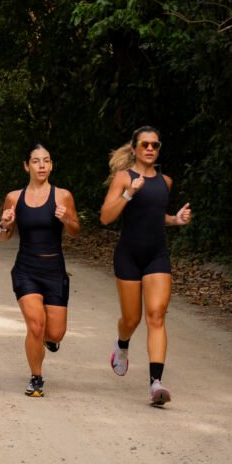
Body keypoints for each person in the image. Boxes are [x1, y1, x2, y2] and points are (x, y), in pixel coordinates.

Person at [100, 126, 192, 406]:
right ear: (134, 148)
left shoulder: (166, 182)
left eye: (155, 144)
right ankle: (122, 345)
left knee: (156, 316)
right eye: (144, 144)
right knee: (132, 319)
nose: (150, 148)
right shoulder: (124, 177)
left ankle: (156, 384)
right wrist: (128, 193)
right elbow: (106, 217)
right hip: (128, 255)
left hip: (157, 255)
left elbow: (154, 215)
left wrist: (174, 220)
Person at [0, 143, 80, 397]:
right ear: (26, 166)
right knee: (35, 325)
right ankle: (36, 377)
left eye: (46, 161)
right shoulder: (14, 197)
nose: (42, 165)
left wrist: (66, 218)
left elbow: (75, 231)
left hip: (54, 270)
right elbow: (5, 237)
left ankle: (47, 339)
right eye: (36, 161)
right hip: (26, 269)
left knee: (55, 333)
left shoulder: (62, 196)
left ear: (51, 165)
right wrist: (4, 223)